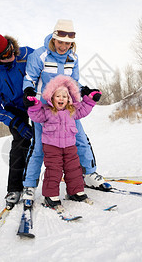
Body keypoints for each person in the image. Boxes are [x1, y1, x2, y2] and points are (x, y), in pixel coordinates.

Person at [22, 19, 111, 202]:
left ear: (72, 42)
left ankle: (88, 175)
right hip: (45, 110)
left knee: (81, 141)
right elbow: (29, 78)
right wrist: (29, 93)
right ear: (54, 38)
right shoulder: (40, 55)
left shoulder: (73, 58)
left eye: (67, 43)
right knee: (39, 147)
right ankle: (30, 186)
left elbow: (75, 82)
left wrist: (84, 91)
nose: (63, 46)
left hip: (67, 107)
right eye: (60, 41)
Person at [27, 75, 101, 208]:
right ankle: (50, 196)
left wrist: (90, 100)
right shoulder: (47, 111)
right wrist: (33, 105)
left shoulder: (72, 111)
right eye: (58, 96)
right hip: (51, 147)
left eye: (64, 96)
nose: (61, 98)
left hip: (70, 146)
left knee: (74, 169)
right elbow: (35, 115)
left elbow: (84, 109)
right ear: (51, 98)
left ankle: (75, 192)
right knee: (54, 170)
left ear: (69, 99)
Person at [0, 34, 34, 209]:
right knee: (21, 141)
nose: (11, 55)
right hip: (15, 109)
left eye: (11, 49)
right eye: (5, 55)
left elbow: (47, 66)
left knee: (55, 135)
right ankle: (14, 188)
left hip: (34, 99)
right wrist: (15, 122)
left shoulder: (26, 55)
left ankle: (75, 174)